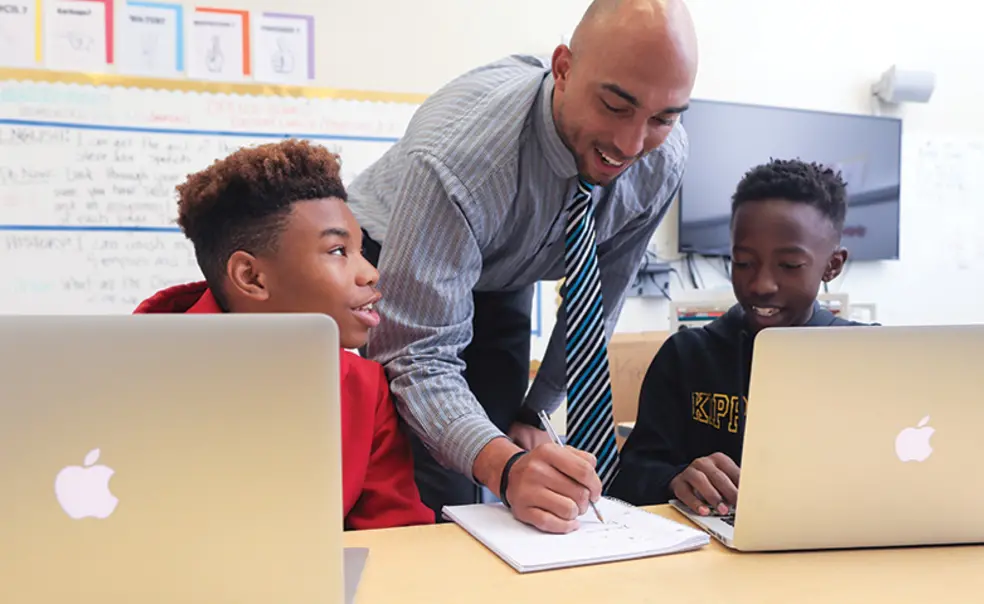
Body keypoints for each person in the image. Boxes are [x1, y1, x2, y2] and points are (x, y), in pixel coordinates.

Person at [346, 0, 699, 533]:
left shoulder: (661, 159)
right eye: (615, 106)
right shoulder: (461, 159)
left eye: (662, 118)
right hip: (398, 247)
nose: (630, 145)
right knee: (439, 489)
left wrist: (536, 414)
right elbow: (418, 356)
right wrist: (506, 466)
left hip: (506, 268)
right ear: (563, 69)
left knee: (503, 451)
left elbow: (595, 299)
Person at [133, 139, 435, 530]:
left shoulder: (366, 387)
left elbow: (398, 536)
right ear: (252, 277)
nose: (370, 273)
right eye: (339, 251)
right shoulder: (137, 375)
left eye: (361, 250)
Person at [608, 158, 875, 513]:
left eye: (790, 265)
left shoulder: (869, 359)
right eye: (744, 262)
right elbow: (629, 478)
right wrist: (675, 478)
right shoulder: (687, 356)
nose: (761, 285)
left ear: (833, 265)